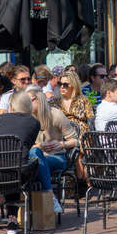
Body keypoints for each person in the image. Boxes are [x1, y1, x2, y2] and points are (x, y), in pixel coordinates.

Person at [0, 91, 40, 234]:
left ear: (11, 106)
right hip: (17, 173)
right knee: (18, 166)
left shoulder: (1, 118)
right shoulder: (34, 122)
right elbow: (26, 145)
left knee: (5, 168)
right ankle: (12, 220)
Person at [26, 85, 78, 213]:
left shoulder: (55, 115)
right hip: (34, 158)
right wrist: (38, 146)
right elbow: (22, 144)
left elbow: (77, 141)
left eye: (29, 100)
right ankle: (51, 198)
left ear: (38, 99)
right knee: (35, 154)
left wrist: (62, 144)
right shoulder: (26, 118)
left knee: (34, 161)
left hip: (56, 157)